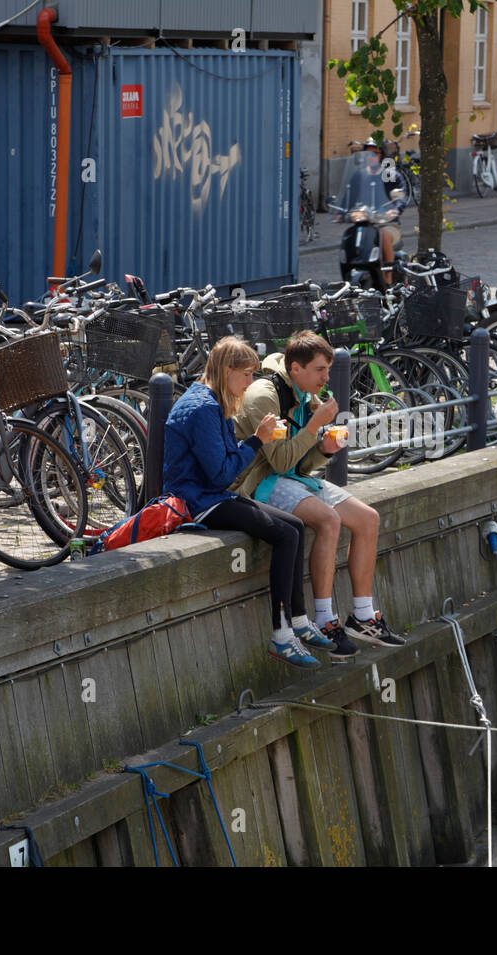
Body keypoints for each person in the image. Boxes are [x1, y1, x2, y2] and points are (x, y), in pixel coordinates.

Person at [232, 331, 403, 653]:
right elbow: (280, 462)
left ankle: (363, 617)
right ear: (296, 368)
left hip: (288, 477)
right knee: (328, 520)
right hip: (257, 482)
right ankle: (325, 619)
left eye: (328, 369)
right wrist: (314, 427)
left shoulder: (307, 396)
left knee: (368, 519)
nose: (327, 377)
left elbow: (300, 464)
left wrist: (324, 449)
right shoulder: (264, 396)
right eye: (321, 370)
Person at [162, 336, 323, 670]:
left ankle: (299, 619)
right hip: (198, 501)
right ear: (227, 372)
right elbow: (221, 474)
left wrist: (254, 441)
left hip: (213, 494)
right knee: (286, 535)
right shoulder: (203, 408)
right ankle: (281, 635)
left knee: (294, 525)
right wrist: (257, 440)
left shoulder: (210, 400)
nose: (251, 382)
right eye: (247, 374)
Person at [334, 139, 408, 285]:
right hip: (365, 222)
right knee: (349, 235)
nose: (370, 157)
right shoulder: (359, 176)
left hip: (387, 223)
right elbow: (349, 196)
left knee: (383, 235)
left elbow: (400, 195)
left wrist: (395, 209)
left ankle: (388, 278)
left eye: (374, 153)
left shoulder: (390, 176)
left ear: (381, 155)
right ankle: (348, 276)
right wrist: (341, 211)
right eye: (366, 154)